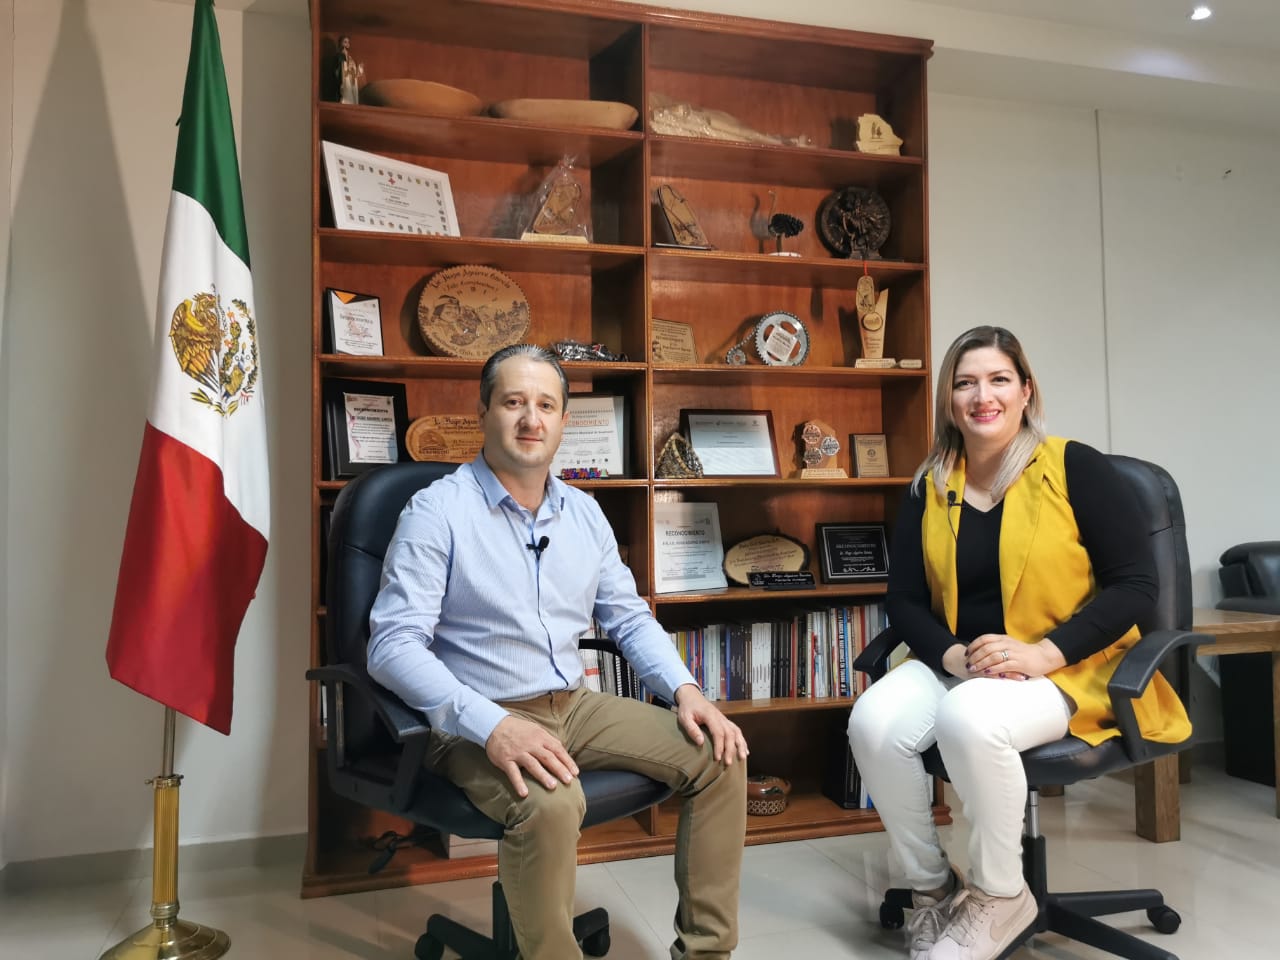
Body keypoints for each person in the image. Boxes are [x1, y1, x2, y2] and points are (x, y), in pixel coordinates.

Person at [367, 344, 748, 960]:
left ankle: (706, 953)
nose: (530, 419)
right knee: (550, 803)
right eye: (513, 402)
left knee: (720, 754)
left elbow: (628, 618)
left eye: (546, 405)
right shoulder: (436, 511)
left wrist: (687, 690)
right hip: (473, 718)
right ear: (484, 411)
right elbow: (391, 647)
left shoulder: (585, 514)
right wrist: (493, 725)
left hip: (573, 705)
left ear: (564, 421)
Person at [846, 326, 1190, 960]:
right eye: (965, 383)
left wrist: (1043, 654)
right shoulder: (930, 484)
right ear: (949, 399)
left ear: (1026, 391)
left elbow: (1136, 587)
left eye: (999, 379)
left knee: (969, 716)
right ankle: (933, 889)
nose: (983, 396)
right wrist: (951, 655)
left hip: (1068, 664)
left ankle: (1001, 896)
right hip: (965, 663)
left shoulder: (1075, 467)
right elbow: (906, 601)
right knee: (872, 723)